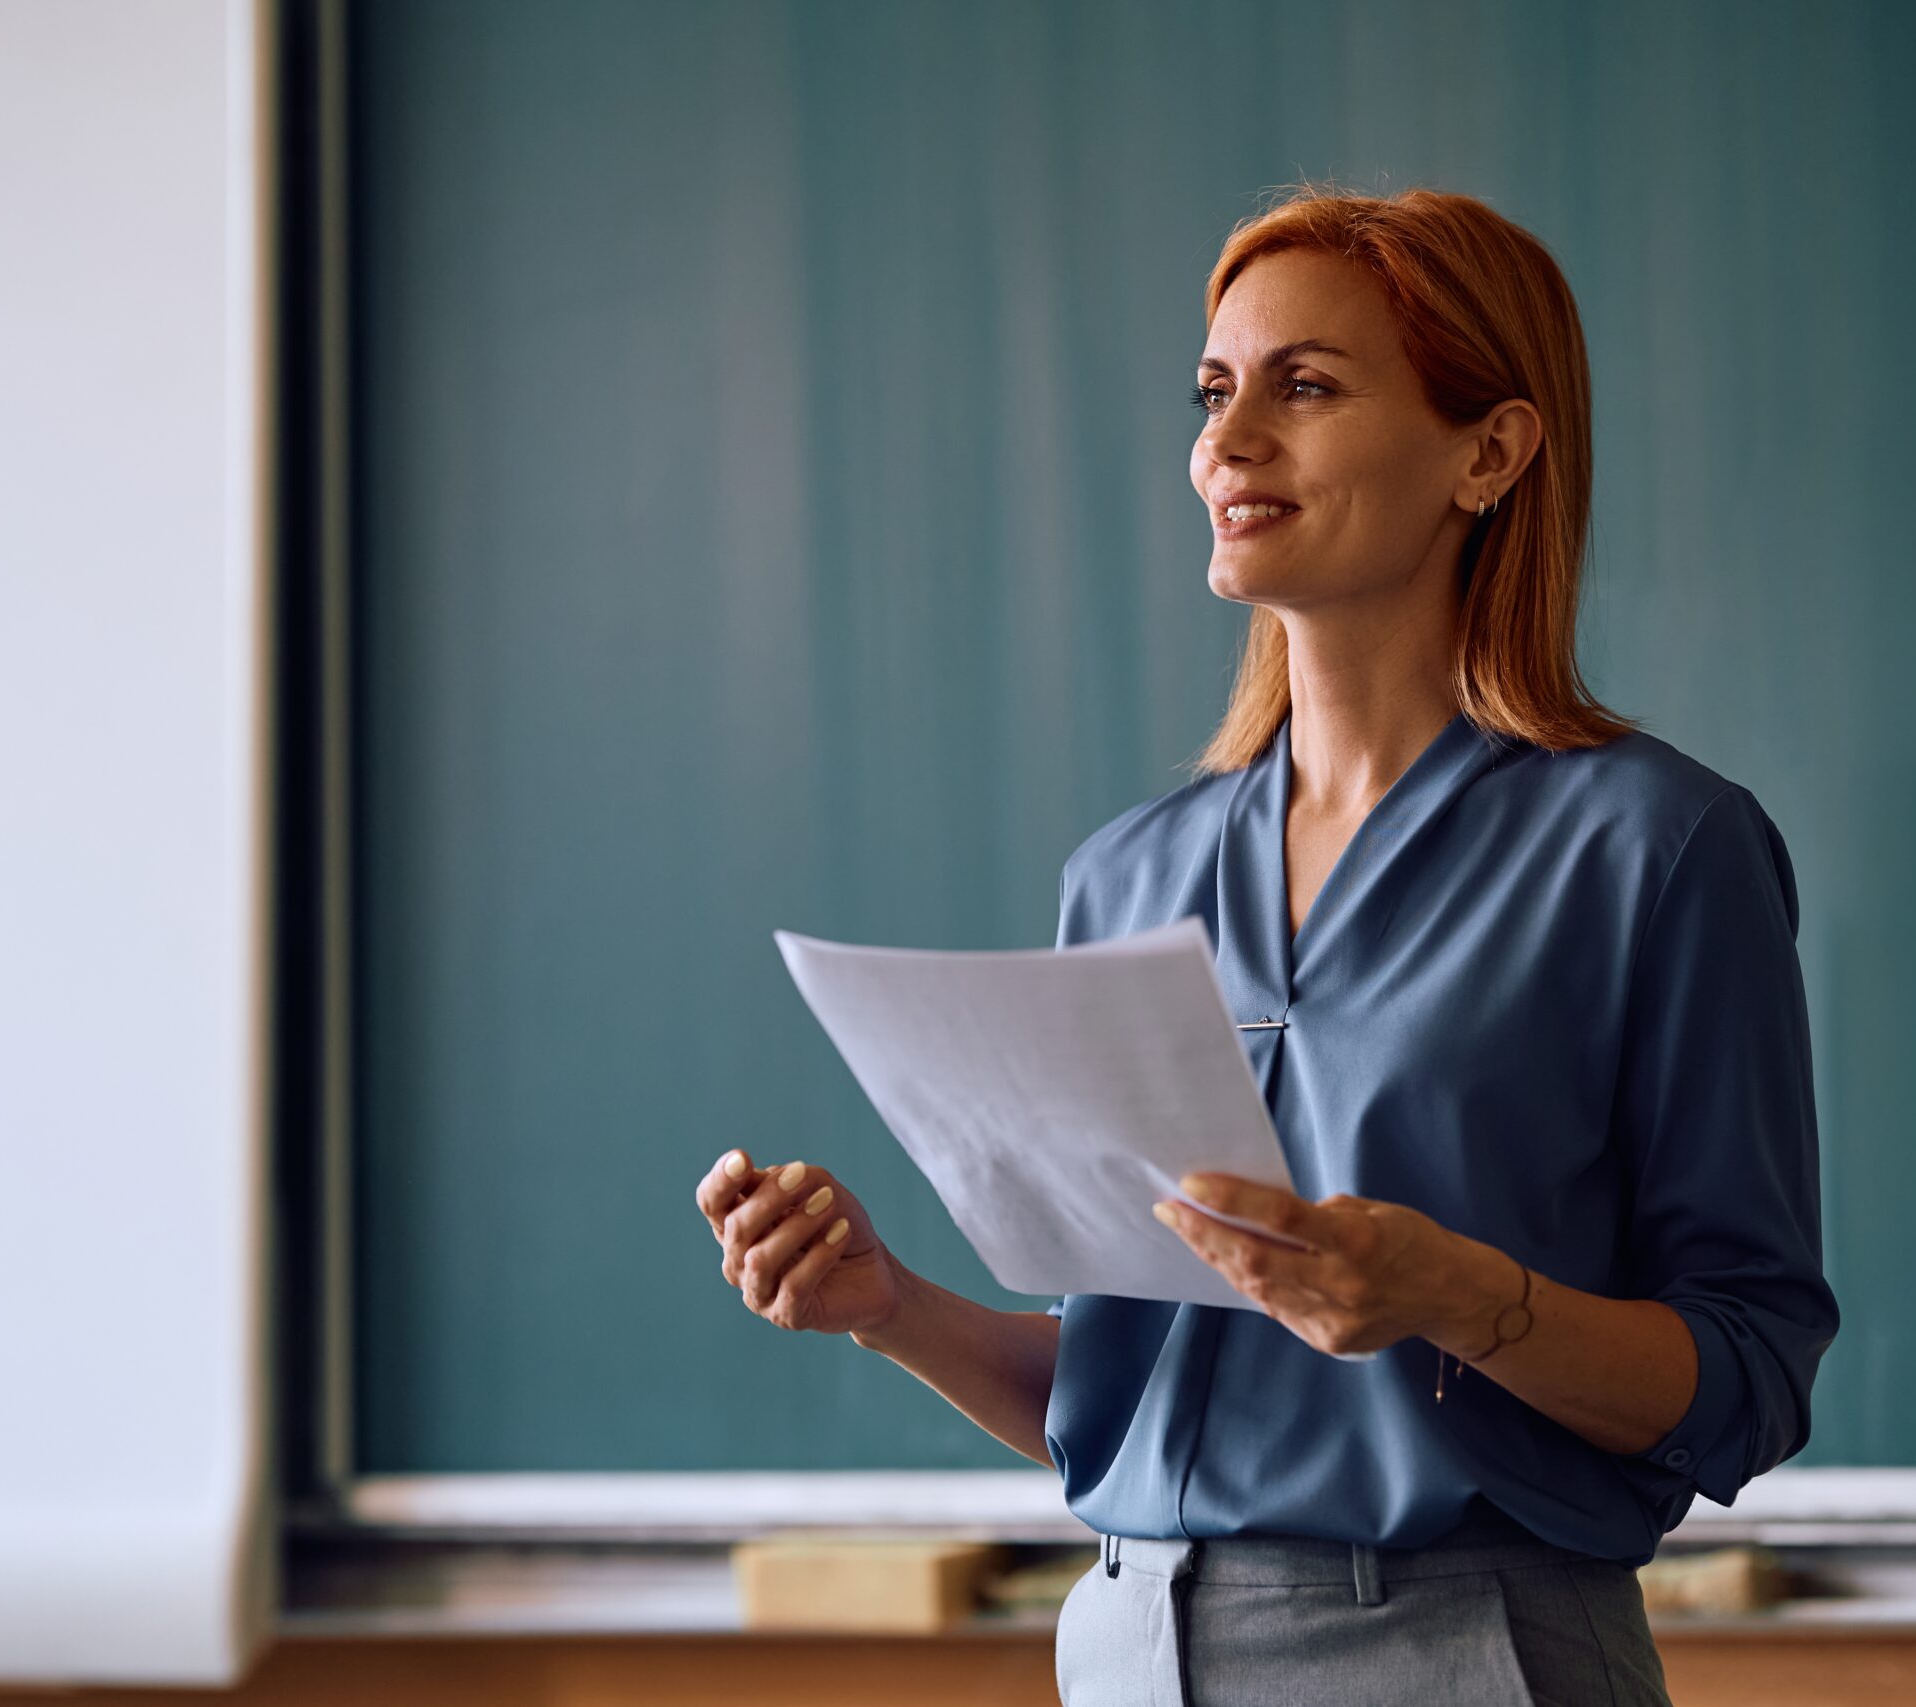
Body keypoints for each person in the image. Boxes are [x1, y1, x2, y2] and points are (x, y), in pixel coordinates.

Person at [694, 183, 1838, 1707]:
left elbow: (1746, 1376)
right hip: (1125, 1643)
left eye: (1305, 387)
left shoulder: (1656, 850)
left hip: (1460, 1650)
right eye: (1216, 392)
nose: (1226, 446)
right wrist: (888, 1307)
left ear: (1489, 451)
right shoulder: (1125, 879)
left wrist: (1457, 1298)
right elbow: (1130, 1394)